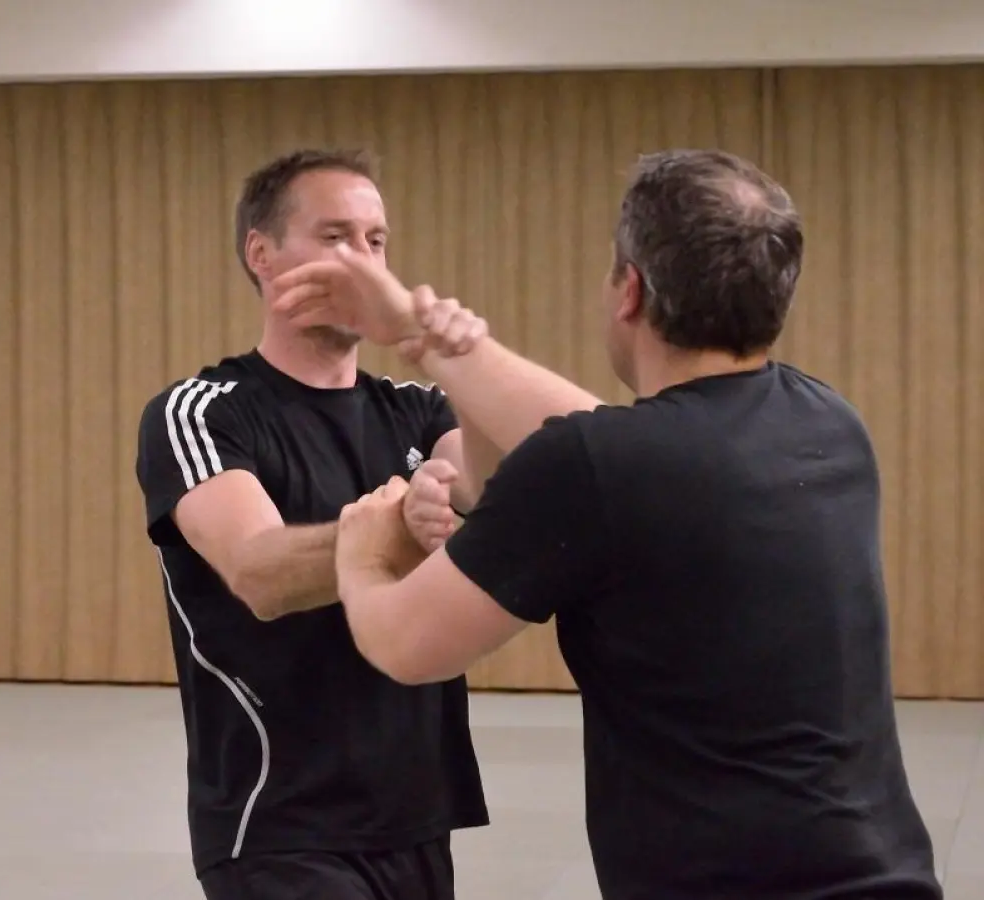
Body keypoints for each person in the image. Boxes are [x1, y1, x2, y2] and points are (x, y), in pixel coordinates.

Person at [271, 148, 942, 900]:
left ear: (629, 289)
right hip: (886, 876)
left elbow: (405, 644)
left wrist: (362, 552)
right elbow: (599, 438)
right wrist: (422, 334)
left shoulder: (599, 467)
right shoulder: (824, 419)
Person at [134, 148, 491, 900]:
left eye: (376, 242)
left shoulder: (417, 408)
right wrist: (399, 525)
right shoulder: (203, 411)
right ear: (261, 254)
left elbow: (499, 486)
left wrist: (450, 352)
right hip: (281, 819)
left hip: (415, 808)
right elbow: (258, 572)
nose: (362, 264)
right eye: (335, 238)